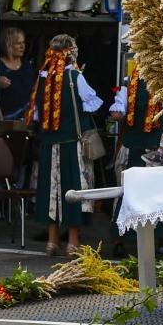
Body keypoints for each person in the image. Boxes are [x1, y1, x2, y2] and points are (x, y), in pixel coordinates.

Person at [28, 34, 101, 256]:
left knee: (51, 192)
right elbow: (92, 105)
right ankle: (72, 242)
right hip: (71, 145)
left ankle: (51, 241)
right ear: (70, 52)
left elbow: (37, 115)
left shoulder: (43, 78)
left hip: (49, 146)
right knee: (73, 190)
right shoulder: (75, 77)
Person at [0, 27, 38, 122]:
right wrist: (1, 120)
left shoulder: (27, 66)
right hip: (6, 121)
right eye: (18, 43)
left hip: (28, 120)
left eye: (23, 43)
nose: (22, 46)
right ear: (8, 45)